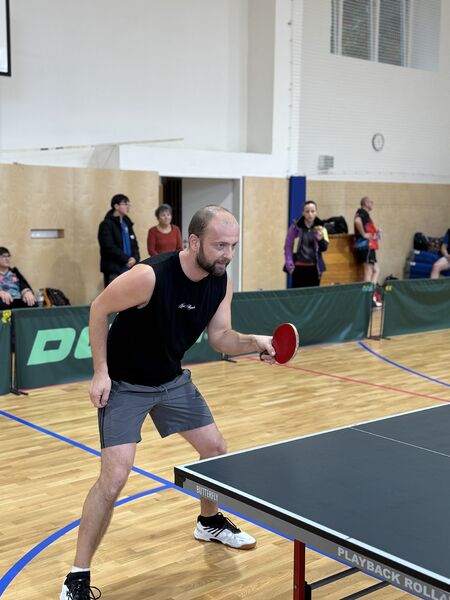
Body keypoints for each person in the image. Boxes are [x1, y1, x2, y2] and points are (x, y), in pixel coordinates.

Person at [60, 205, 276, 600]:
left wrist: (254, 342)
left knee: (215, 450)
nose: (228, 254)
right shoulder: (150, 276)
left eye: (233, 246)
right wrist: (100, 371)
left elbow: (220, 337)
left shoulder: (220, 282)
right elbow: (98, 309)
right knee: (114, 477)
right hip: (125, 385)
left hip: (171, 381)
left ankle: (209, 523)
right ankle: (77, 574)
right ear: (193, 242)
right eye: (220, 245)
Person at [98, 194, 140, 288]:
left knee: (130, 295)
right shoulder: (106, 224)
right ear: (116, 206)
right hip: (114, 268)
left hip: (129, 268)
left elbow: (134, 244)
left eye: (129, 204)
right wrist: (126, 259)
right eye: (125, 204)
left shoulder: (127, 223)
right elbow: (108, 247)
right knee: (114, 295)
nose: (128, 207)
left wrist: (135, 258)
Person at [284, 200, 329, 288]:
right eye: (307, 211)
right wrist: (290, 265)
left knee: (313, 295)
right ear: (303, 213)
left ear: (316, 212)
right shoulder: (295, 228)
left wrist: (320, 240)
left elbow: (324, 248)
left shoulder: (322, 228)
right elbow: (288, 247)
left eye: (312, 211)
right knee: (298, 295)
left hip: (314, 269)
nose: (310, 214)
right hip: (298, 268)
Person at [353, 196, 382, 307]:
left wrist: (376, 234)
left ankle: (371, 294)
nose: (372, 203)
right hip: (365, 246)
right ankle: (366, 299)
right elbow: (357, 221)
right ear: (365, 203)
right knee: (368, 272)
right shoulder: (361, 213)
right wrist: (364, 234)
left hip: (369, 247)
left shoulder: (366, 215)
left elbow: (367, 228)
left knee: (377, 270)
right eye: (371, 201)